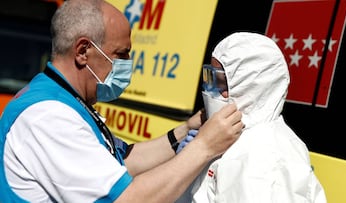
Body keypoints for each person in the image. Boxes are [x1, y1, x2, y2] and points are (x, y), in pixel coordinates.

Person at [0, 0, 245, 202]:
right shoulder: (49, 117)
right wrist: (205, 147)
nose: (129, 63)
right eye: (121, 53)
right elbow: (126, 199)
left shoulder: (60, 96)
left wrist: (187, 129)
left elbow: (123, 160)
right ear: (83, 51)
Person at [176, 32, 327, 203]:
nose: (211, 90)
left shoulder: (266, 158)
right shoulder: (234, 136)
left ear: (249, 85)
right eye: (209, 77)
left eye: (218, 79)